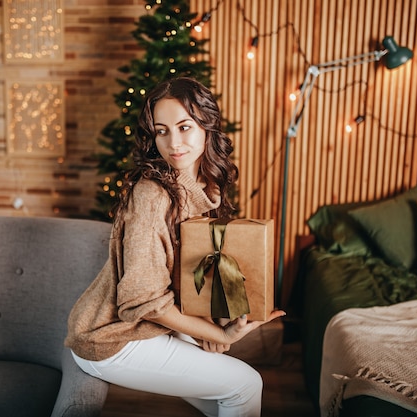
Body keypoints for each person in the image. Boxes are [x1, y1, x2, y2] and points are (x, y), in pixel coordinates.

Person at [65, 77, 285, 417]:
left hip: (154, 325)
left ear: (207, 127)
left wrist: (217, 328)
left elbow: (193, 275)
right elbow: (143, 299)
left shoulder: (205, 188)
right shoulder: (152, 195)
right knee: (246, 385)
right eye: (162, 131)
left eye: (184, 127)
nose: (174, 143)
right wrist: (216, 334)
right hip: (112, 337)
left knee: (225, 402)